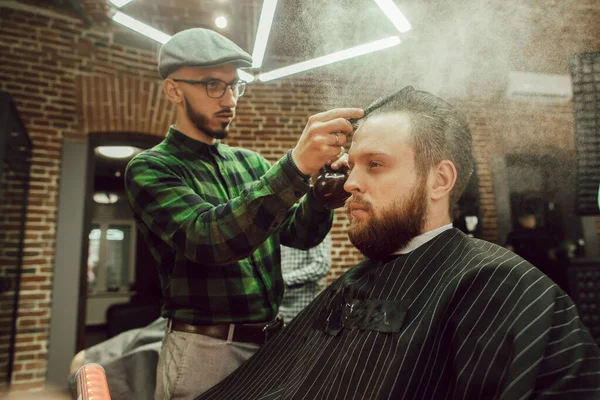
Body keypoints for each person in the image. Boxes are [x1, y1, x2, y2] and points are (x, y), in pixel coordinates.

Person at [197, 86, 600, 400]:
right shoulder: (354, 283)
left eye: (375, 164)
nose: (351, 183)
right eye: (351, 165)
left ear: (440, 180)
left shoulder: (498, 287)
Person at [124, 28, 363, 399]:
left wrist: (321, 194)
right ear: (173, 90)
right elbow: (210, 240)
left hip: (271, 344)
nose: (229, 99)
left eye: (234, 85)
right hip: (205, 351)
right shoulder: (151, 168)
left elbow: (300, 236)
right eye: (213, 85)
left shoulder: (250, 164)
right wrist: (295, 165)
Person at [280, 233, 332, 321]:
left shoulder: (315, 229)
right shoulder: (284, 229)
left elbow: (322, 265)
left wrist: (285, 280)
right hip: (284, 308)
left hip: (305, 308)